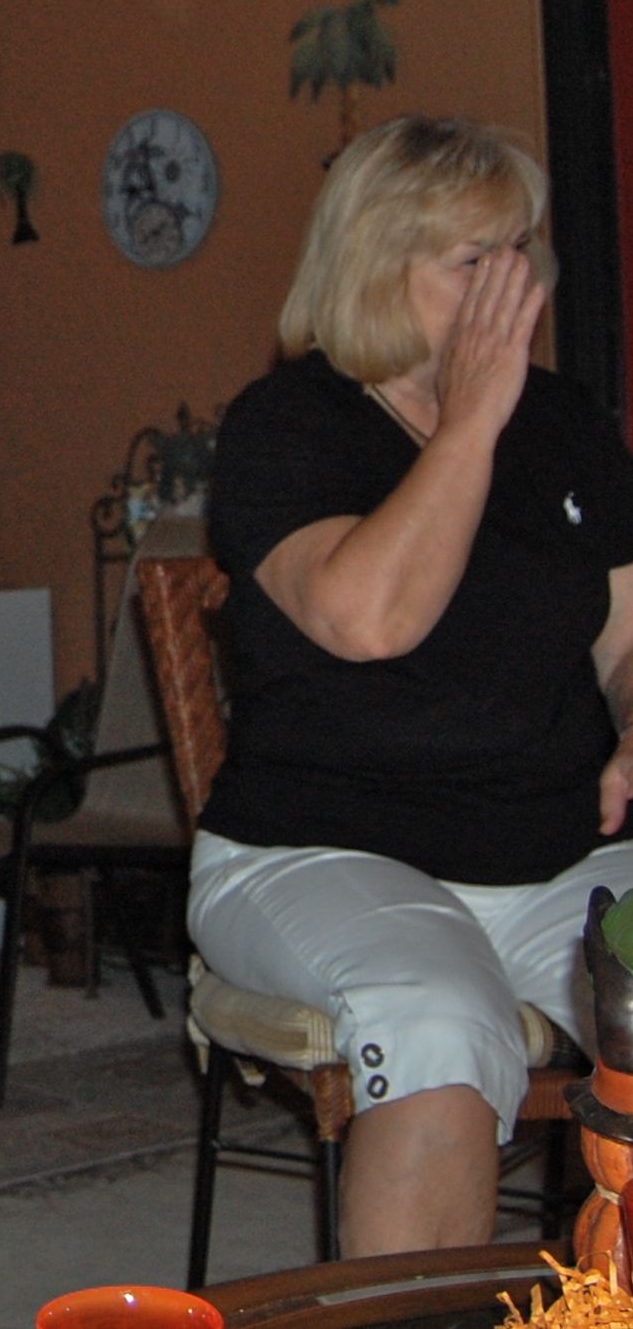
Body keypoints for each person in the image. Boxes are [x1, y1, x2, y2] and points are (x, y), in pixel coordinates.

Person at [194, 115, 633, 1257]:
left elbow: (625, 638)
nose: (513, 285)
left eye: (520, 251)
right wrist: (471, 419)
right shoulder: (285, 426)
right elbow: (369, 619)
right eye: (473, 259)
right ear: (376, 267)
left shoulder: (566, 425)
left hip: (557, 851)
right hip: (321, 851)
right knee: (439, 1023)